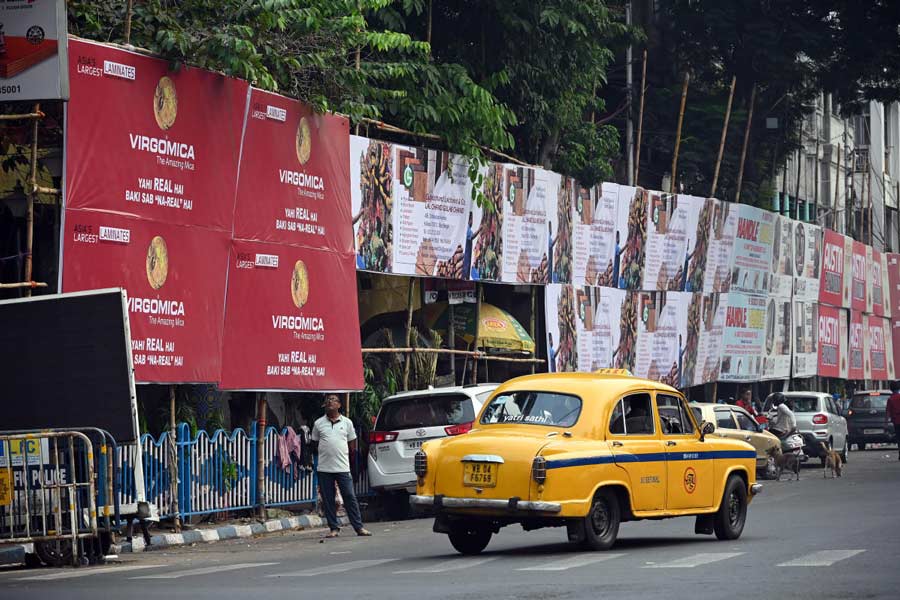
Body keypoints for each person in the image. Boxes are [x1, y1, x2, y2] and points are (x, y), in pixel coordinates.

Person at [311, 394, 372, 538]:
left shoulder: (347, 423)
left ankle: (358, 527)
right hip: (324, 468)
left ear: (339, 405)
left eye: (333, 400)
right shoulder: (318, 423)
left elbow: (352, 445)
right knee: (328, 499)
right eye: (327, 401)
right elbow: (314, 444)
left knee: (349, 496)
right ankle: (334, 528)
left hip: (342, 467)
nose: (329, 403)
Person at [887, 382, 900, 461]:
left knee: (898, 437)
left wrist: (886, 422)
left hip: (896, 421)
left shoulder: (890, 399)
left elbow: (888, 411)